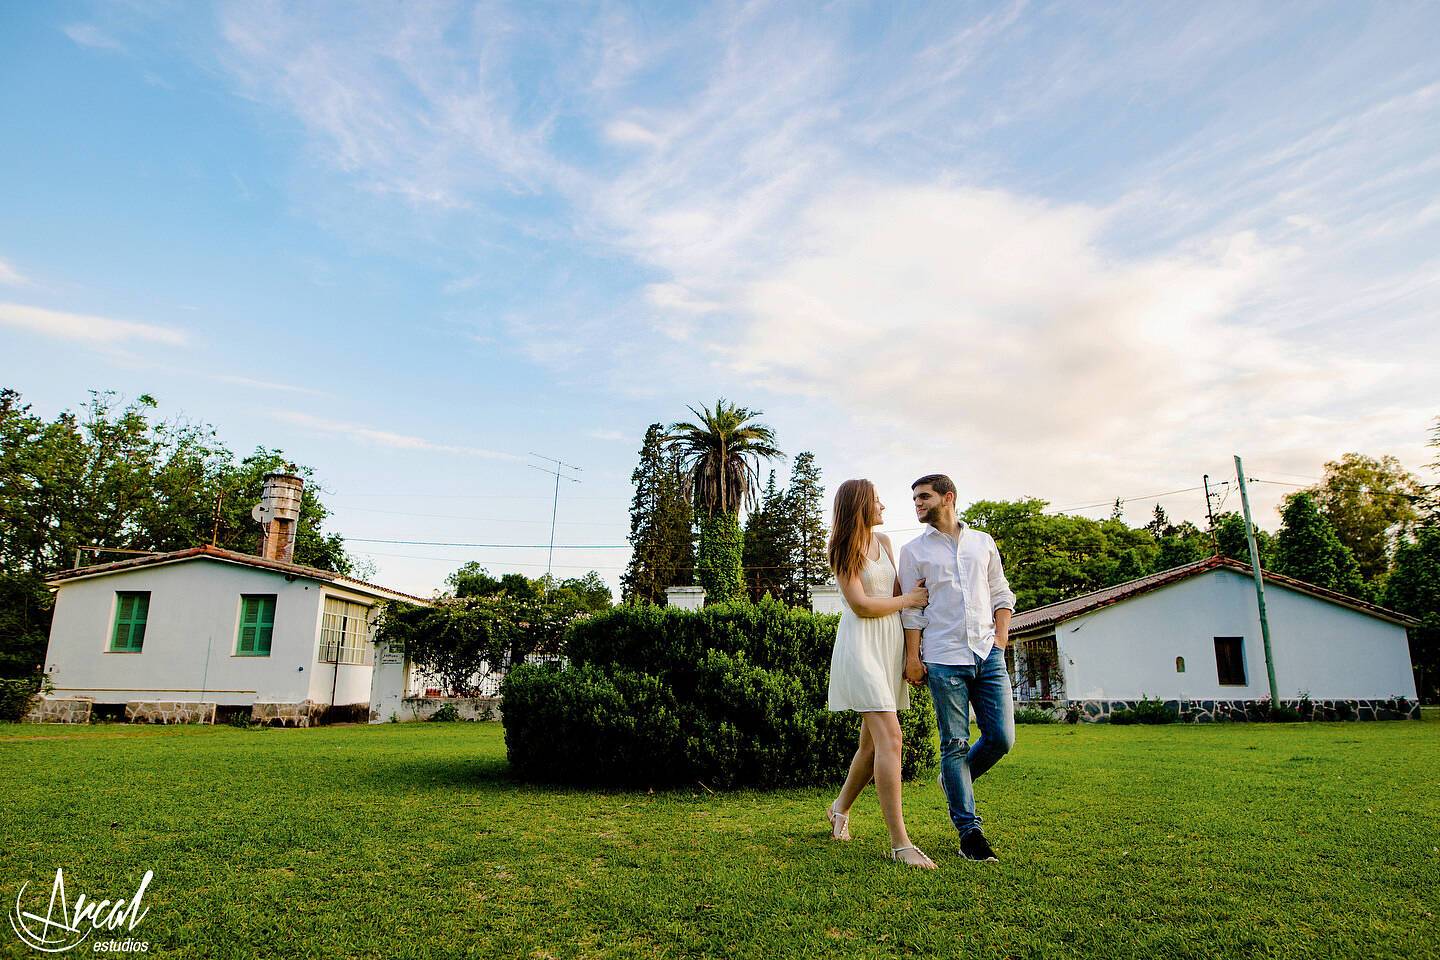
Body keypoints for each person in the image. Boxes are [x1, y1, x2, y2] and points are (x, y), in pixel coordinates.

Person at [898, 473, 1016, 863]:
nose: (917, 502)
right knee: (954, 744)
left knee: (1001, 739)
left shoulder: (983, 543)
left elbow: (1001, 592)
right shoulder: (914, 550)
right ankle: (971, 834)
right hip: (943, 657)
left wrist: (1000, 640)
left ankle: (953, 778)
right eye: (914, 497)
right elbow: (913, 610)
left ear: (948, 498)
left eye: (924, 496)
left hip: (988, 654)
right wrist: (913, 659)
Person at [824, 478, 934, 868]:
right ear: (859, 505)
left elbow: (907, 599)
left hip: (888, 648)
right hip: (861, 649)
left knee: (871, 746)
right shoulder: (842, 550)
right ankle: (900, 842)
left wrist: (911, 655)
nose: (883, 506)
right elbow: (861, 606)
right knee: (892, 739)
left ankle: (839, 809)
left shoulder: (885, 544)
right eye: (876, 501)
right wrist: (907, 598)